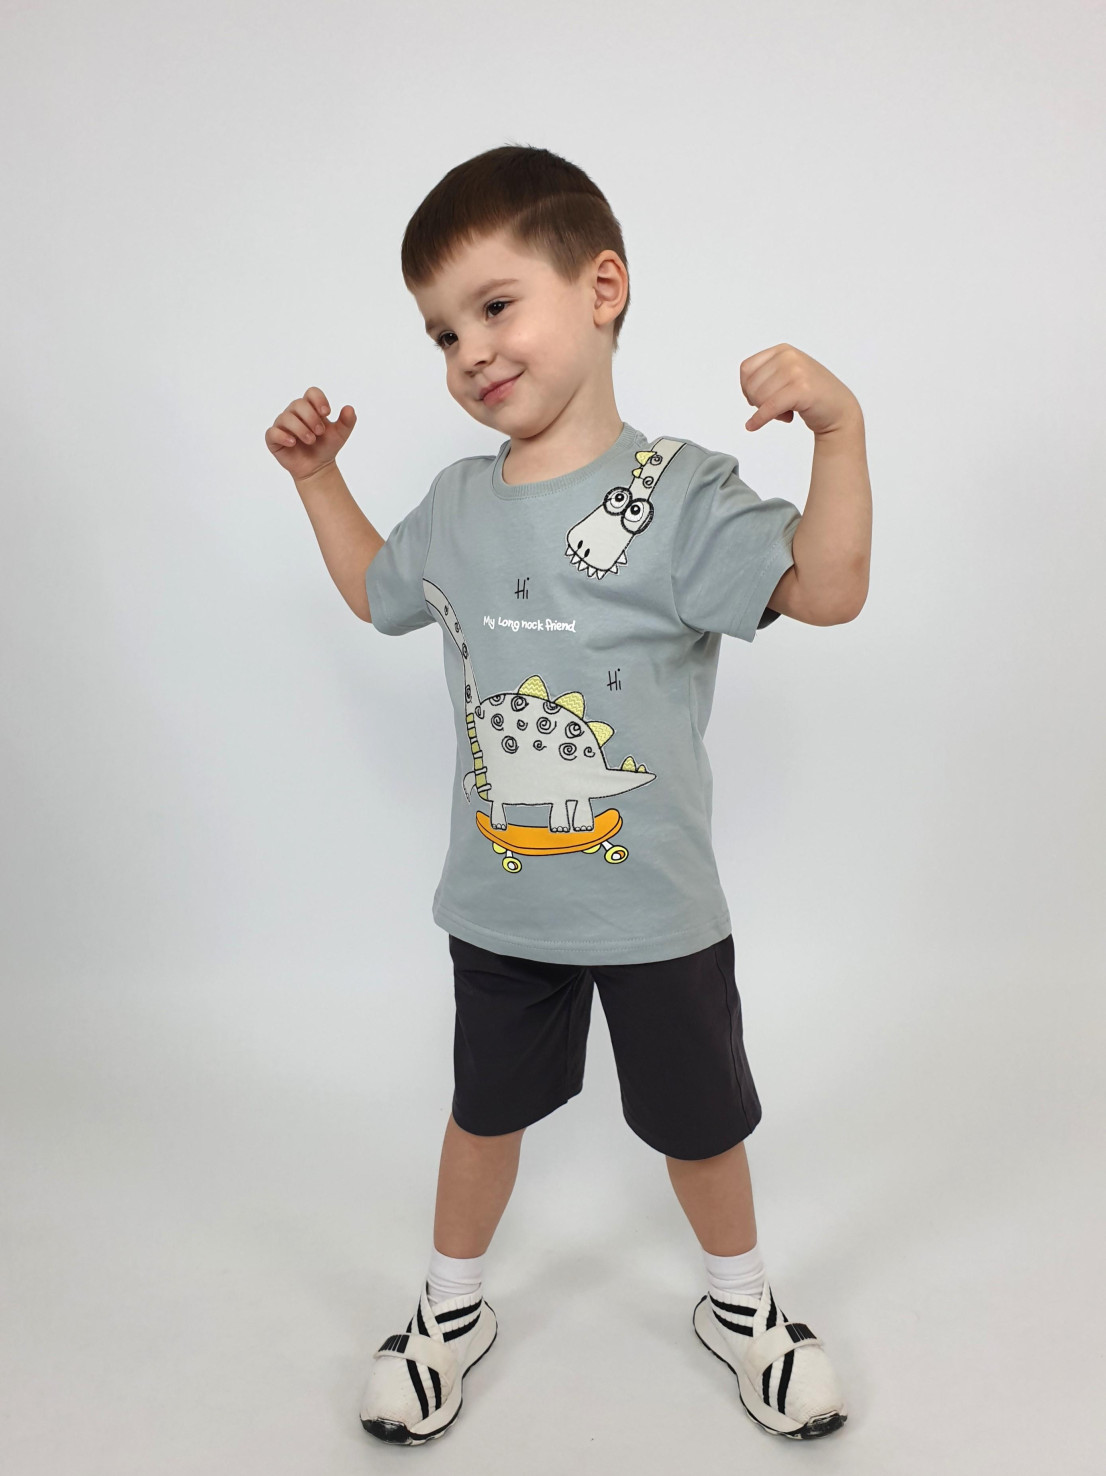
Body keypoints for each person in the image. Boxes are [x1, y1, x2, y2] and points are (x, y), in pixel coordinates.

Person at [264, 144, 871, 1447]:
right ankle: (449, 1306)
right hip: (502, 905)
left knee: (700, 1127)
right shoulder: (456, 505)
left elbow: (827, 590)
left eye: (495, 305)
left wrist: (839, 431)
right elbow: (377, 594)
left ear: (601, 288)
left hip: (657, 909)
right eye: (442, 331)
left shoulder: (684, 496)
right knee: (482, 1114)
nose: (469, 351)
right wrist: (318, 479)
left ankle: (741, 1301)